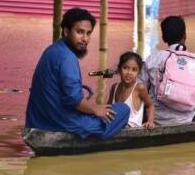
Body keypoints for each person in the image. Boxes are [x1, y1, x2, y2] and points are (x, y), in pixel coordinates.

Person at [25, 7, 130, 138]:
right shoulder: (67, 57)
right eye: (80, 32)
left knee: (102, 109)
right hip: (61, 123)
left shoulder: (51, 50)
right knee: (123, 109)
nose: (85, 39)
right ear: (66, 31)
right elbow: (74, 100)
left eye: (88, 33)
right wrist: (95, 109)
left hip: (37, 121)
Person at [107, 52, 155, 129]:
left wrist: (150, 121)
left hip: (132, 133)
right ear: (119, 69)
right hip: (114, 131)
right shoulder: (114, 87)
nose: (129, 73)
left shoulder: (139, 88)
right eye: (125, 68)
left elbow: (150, 105)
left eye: (134, 70)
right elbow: (108, 108)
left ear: (139, 72)